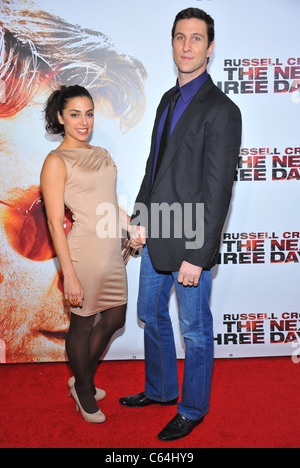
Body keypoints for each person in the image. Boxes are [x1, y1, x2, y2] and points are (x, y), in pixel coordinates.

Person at [119, 8, 242, 441]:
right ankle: (160, 389)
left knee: (194, 330)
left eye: (196, 38)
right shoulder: (167, 100)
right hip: (155, 234)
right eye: (180, 37)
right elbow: (154, 168)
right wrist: (138, 218)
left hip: (191, 243)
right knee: (150, 313)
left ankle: (192, 409)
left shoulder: (223, 110)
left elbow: (218, 191)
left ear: (210, 47)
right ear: (172, 43)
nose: (187, 45)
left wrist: (198, 254)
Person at [41, 85, 132, 424]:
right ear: (61, 117)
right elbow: (53, 222)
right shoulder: (56, 161)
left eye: (89, 113)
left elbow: (107, 203)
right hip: (83, 254)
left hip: (110, 251)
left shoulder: (102, 153)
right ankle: (83, 387)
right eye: (75, 114)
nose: (83, 121)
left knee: (115, 319)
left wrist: (129, 226)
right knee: (81, 326)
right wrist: (69, 274)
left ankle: (81, 380)